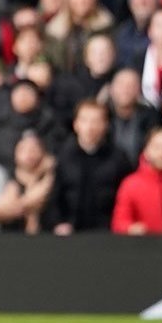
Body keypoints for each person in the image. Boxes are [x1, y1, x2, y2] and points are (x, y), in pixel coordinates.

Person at [48, 100, 133, 233]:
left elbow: (127, 197)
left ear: (105, 125)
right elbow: (55, 197)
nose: (90, 127)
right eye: (84, 121)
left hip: (108, 232)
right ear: (76, 124)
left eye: (96, 121)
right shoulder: (63, 156)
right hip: (70, 231)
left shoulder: (118, 158)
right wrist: (59, 223)